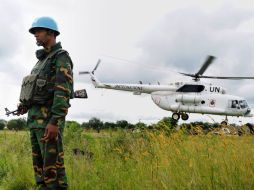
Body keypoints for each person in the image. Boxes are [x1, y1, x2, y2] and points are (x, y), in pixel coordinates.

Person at [18, 16, 73, 190]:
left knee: (53, 170)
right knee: (40, 170)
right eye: (34, 32)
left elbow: (62, 92)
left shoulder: (61, 57)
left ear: (50, 33)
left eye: (38, 31)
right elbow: (37, 89)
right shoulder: (41, 61)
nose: (35, 34)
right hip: (35, 121)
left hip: (48, 123)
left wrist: (55, 122)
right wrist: (25, 104)